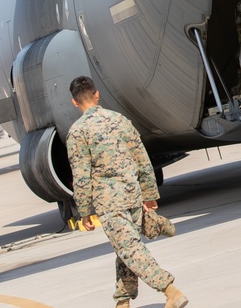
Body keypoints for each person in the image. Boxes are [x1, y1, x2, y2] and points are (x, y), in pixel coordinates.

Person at [65, 76, 188, 308]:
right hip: (132, 196)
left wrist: (84, 212)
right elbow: (142, 159)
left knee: (130, 249)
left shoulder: (78, 132)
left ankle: (171, 291)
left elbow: (80, 177)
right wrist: (150, 194)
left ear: (74, 103)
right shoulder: (119, 120)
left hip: (109, 202)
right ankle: (122, 301)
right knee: (125, 247)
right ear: (97, 94)